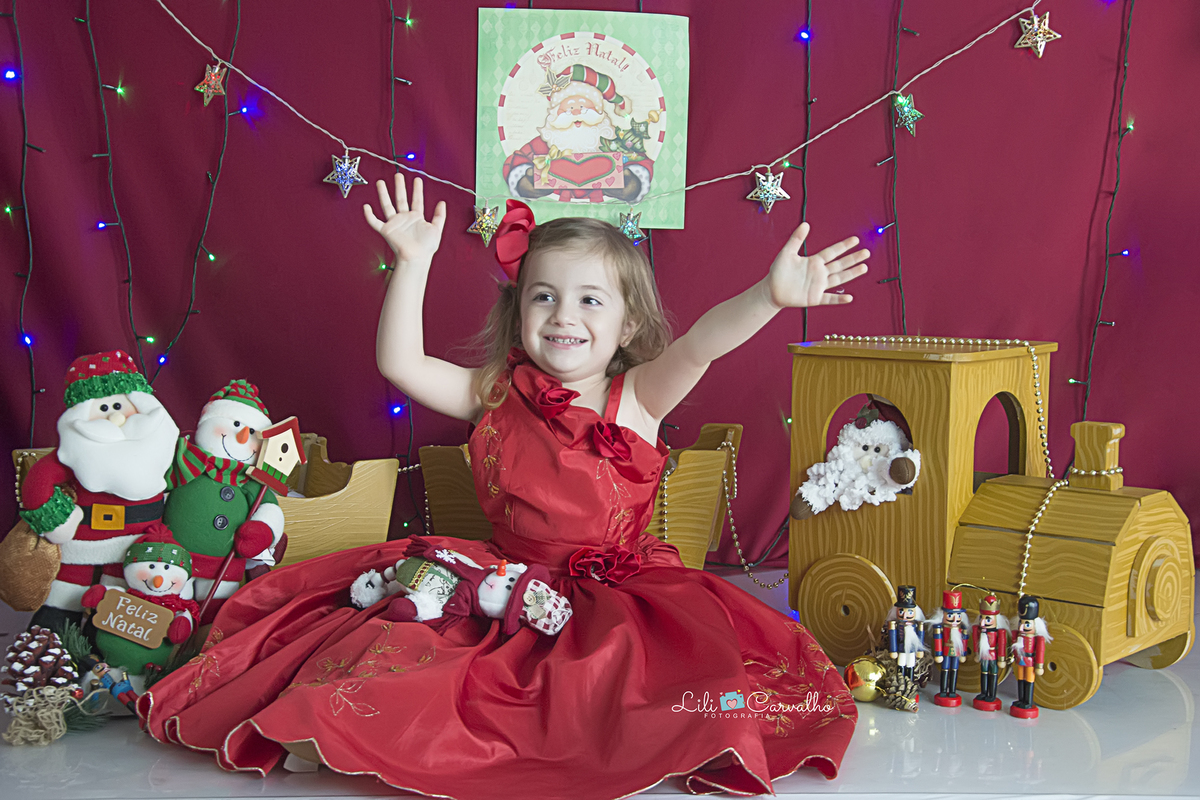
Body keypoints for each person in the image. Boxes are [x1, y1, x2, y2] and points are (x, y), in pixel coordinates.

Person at [137, 175, 869, 799]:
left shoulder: (638, 397)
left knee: (646, 692)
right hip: (501, 577)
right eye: (544, 296)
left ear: (628, 322)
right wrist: (415, 261)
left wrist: (768, 299)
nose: (564, 316)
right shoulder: (495, 391)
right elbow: (401, 363)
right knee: (406, 666)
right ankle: (351, 728)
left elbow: (702, 341)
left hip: (617, 591)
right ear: (519, 310)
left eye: (590, 301)